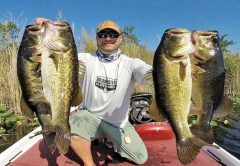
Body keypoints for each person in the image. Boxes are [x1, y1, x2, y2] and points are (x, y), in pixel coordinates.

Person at [69, 20, 152, 166]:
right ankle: (89, 163)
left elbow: (148, 74)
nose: (108, 38)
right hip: (90, 117)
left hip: (118, 124)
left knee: (140, 157)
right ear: (97, 38)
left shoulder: (131, 63)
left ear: (121, 39)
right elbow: (59, 57)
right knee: (70, 124)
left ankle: (108, 145)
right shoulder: (85, 59)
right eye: (103, 34)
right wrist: (42, 32)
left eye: (113, 34)